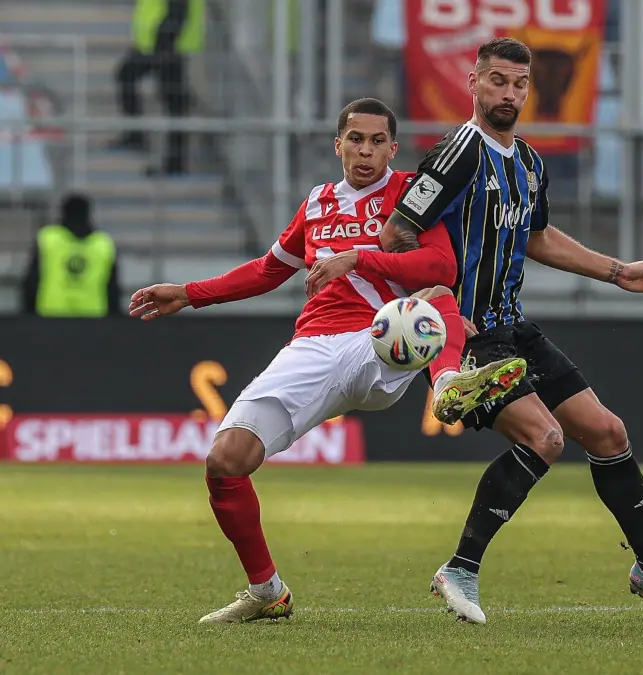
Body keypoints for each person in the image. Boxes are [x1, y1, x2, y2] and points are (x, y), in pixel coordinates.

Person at [126, 98, 527, 624]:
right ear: (337, 143)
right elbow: (268, 269)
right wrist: (189, 292)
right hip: (313, 348)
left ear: (393, 147)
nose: (365, 151)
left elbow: (441, 263)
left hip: (382, 339)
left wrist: (359, 256)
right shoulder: (317, 202)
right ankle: (267, 591)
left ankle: (449, 382)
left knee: (432, 293)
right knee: (225, 462)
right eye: (355, 139)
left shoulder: (410, 194)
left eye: (377, 141)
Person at [380, 38, 643, 624]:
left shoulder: (528, 162)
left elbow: (538, 238)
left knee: (608, 433)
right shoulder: (454, 155)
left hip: (515, 328)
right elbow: (398, 231)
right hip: (471, 334)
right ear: (474, 83)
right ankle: (459, 568)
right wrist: (430, 295)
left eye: (519, 84)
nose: (509, 94)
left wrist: (617, 271)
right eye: (498, 81)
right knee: (546, 439)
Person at [112, 0, 205, 174]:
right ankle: (137, 136)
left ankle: (174, 161)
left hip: (168, 45)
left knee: (174, 103)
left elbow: (178, 10)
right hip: (158, 44)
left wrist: (164, 44)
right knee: (128, 76)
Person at [22, 194, 121, 318]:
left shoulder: (47, 239)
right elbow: (113, 289)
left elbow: (32, 281)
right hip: (93, 318)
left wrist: (27, 315)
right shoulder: (104, 244)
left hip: (51, 317)